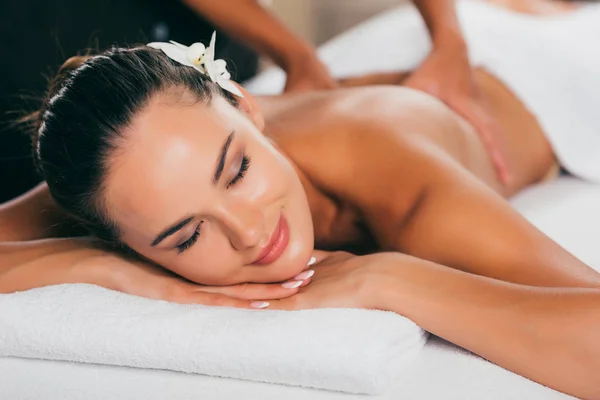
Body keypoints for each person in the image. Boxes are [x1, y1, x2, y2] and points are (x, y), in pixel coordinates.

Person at [1, 0, 600, 398]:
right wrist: (110, 268)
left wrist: (391, 280)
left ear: (248, 105)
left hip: (545, 68)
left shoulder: (392, 172)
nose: (250, 233)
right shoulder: (132, 170)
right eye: (186, 236)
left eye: (236, 170)